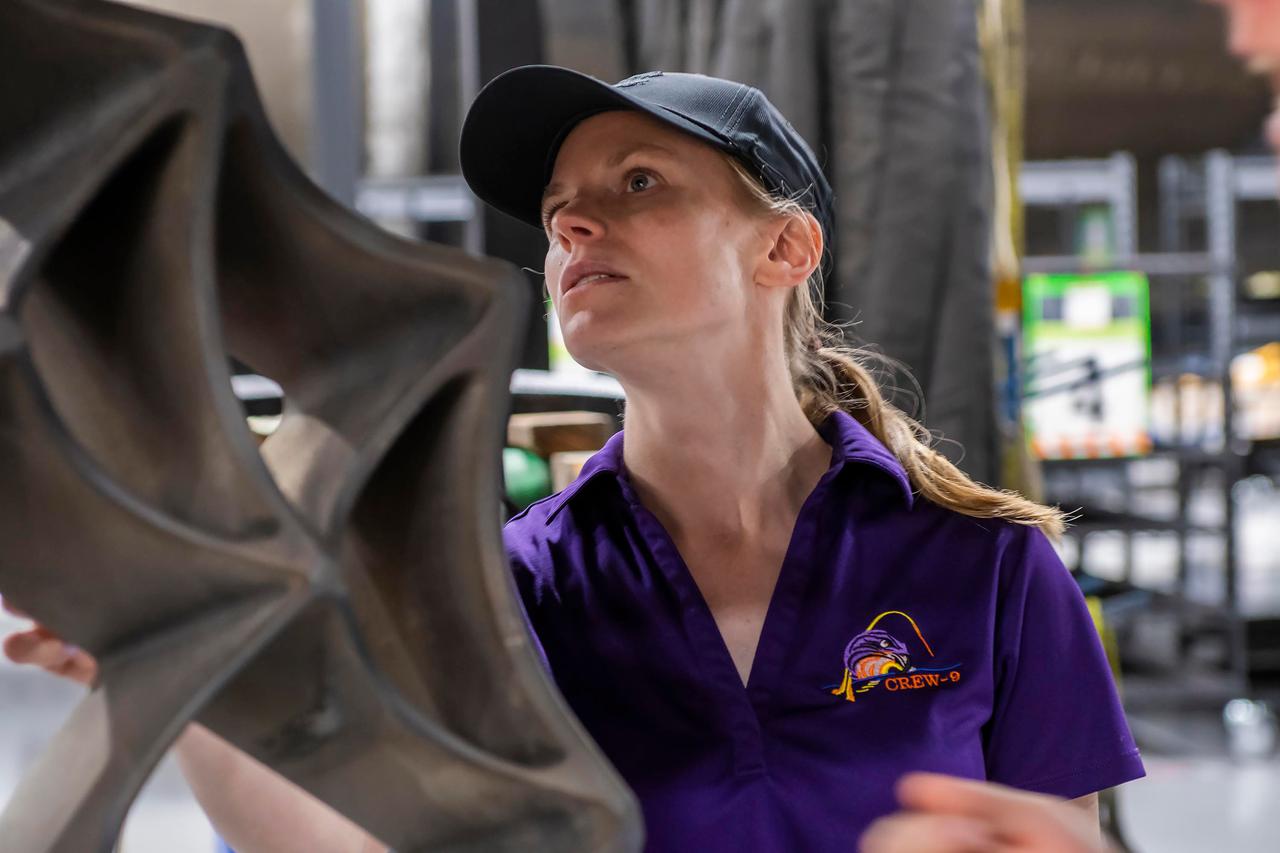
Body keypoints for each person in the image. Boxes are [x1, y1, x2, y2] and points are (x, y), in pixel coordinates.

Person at [4, 65, 1146, 851]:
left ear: (784, 246)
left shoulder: (986, 568)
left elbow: (1060, 835)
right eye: (556, 215)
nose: (572, 229)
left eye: (636, 183)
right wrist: (185, 666)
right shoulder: (502, 585)